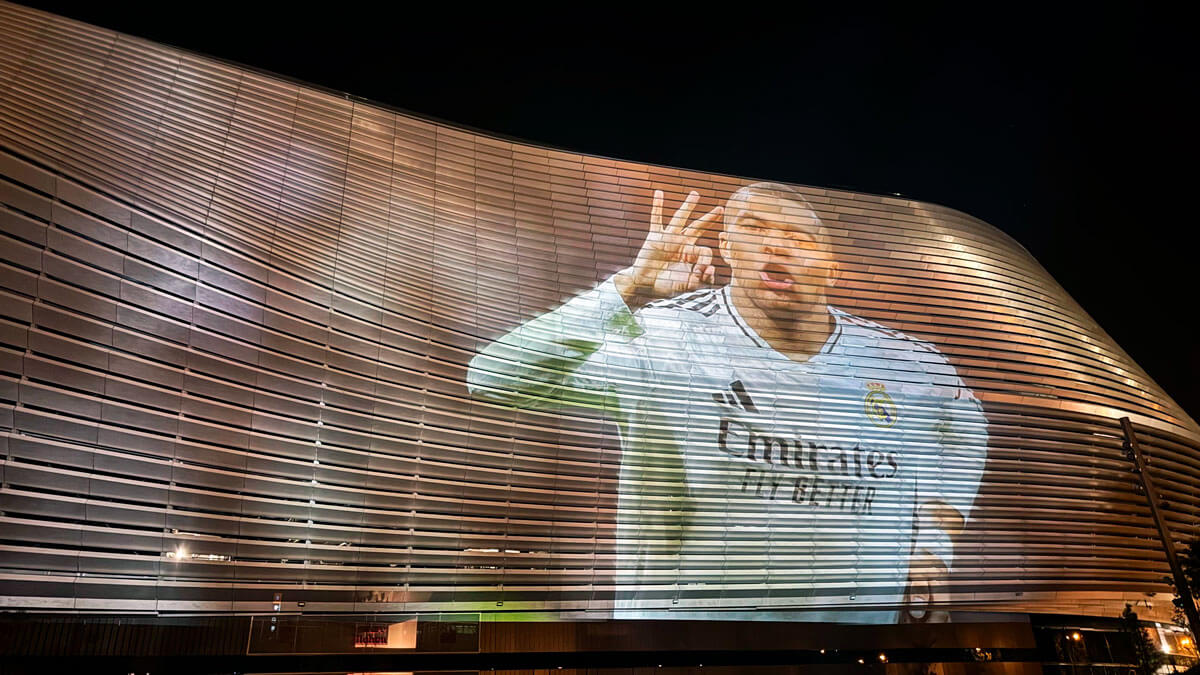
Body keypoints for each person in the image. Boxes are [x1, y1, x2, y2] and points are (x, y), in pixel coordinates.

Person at [467, 182, 988, 623]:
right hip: (685, 637)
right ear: (728, 248)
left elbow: (967, 432)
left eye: (797, 236)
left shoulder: (906, 360)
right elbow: (493, 377)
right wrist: (628, 288)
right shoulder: (660, 337)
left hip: (858, 640)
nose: (775, 247)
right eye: (754, 229)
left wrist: (932, 548)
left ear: (832, 269)